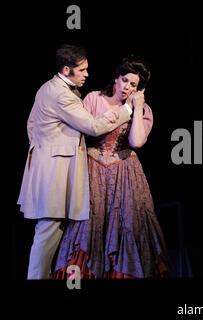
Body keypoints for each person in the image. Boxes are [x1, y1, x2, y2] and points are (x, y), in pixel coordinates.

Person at [18, 44, 133, 279]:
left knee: (51, 230)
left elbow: (32, 125)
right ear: (67, 69)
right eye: (82, 70)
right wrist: (127, 110)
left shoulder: (47, 88)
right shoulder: (61, 95)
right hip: (53, 174)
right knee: (48, 230)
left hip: (48, 167)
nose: (87, 74)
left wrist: (45, 150)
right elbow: (92, 126)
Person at [53, 55, 169, 279]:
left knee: (126, 222)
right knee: (89, 224)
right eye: (125, 80)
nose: (127, 86)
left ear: (139, 89)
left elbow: (136, 142)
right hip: (93, 170)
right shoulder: (94, 98)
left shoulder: (142, 110)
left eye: (134, 84)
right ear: (116, 78)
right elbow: (83, 130)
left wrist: (136, 106)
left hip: (125, 174)